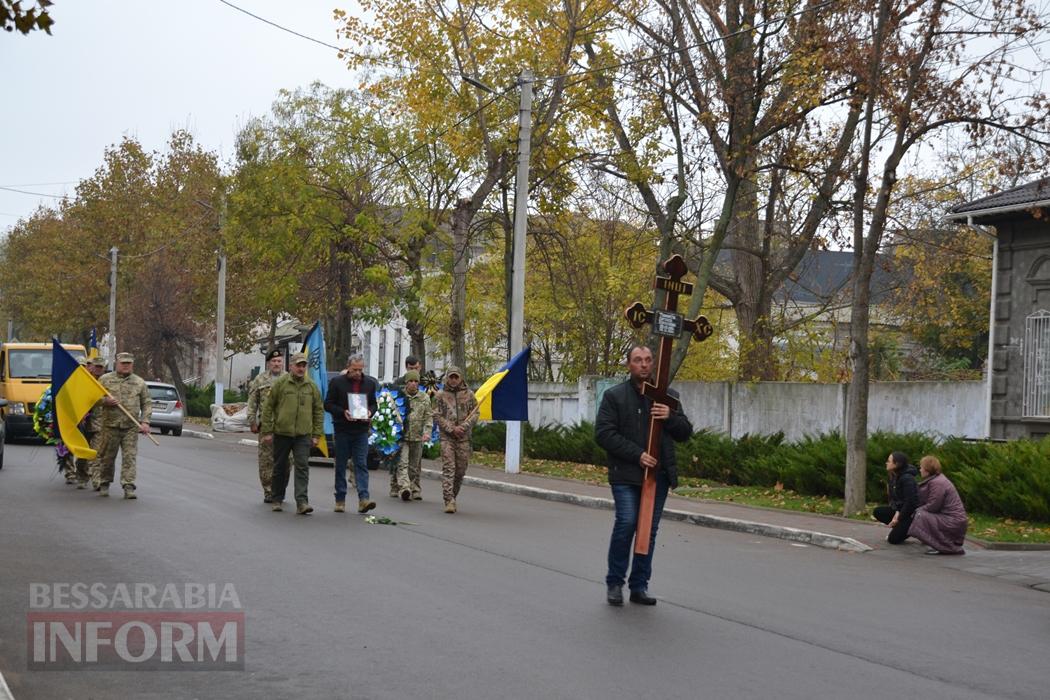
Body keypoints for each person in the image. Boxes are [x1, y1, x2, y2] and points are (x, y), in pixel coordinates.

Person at [595, 344, 693, 607]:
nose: (644, 364)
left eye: (648, 360)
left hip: (657, 477)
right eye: (638, 360)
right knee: (627, 523)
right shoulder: (615, 396)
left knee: (647, 532)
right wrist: (637, 454)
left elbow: (685, 432)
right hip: (626, 474)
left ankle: (639, 586)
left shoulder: (667, 396)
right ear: (629, 365)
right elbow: (603, 433)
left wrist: (670, 416)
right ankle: (615, 583)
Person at [260, 352, 324, 515]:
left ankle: (302, 502)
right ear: (291, 366)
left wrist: (316, 434)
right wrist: (267, 431)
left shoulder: (311, 386)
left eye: (304, 366)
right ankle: (277, 499)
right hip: (282, 432)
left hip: (303, 434)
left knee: (302, 467)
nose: (301, 368)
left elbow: (318, 410)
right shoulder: (281, 383)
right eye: (298, 365)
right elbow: (268, 407)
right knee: (280, 466)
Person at [325, 354, 379, 513]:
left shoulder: (369, 383)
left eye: (360, 370)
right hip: (342, 429)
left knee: (361, 463)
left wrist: (370, 412)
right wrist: (343, 412)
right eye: (355, 370)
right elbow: (327, 404)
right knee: (341, 464)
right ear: (348, 367)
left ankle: (364, 498)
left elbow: (374, 404)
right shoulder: (337, 383)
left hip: (361, 430)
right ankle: (340, 499)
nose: (357, 373)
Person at [97, 352, 152, 499]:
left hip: (130, 427)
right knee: (107, 457)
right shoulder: (105, 380)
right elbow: (92, 399)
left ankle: (129, 486)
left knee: (129, 457)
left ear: (132, 364)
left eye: (129, 363)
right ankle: (104, 483)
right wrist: (105, 401)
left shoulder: (139, 382)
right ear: (117, 363)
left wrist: (145, 421)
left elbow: (146, 403)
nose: (126, 366)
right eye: (123, 363)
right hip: (110, 425)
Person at [434, 366, 477, 514]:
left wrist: (463, 427)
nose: (453, 380)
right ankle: (448, 500)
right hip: (447, 438)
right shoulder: (440, 395)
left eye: (456, 377)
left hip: (463, 438)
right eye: (451, 377)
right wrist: (451, 428)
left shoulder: (469, 395)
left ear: (461, 378)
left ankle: (453, 495)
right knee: (449, 468)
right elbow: (437, 415)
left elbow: (475, 413)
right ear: (447, 378)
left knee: (460, 470)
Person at [246, 349, 286, 503]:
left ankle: (280, 488)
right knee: (266, 461)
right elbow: (252, 401)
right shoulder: (260, 380)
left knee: (287, 461)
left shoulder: (288, 379)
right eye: (274, 361)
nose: (276, 364)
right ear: (269, 363)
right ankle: (269, 491)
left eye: (279, 361)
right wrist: (252, 421)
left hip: (285, 427)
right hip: (266, 426)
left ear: (282, 362)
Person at [908, 455, 968, 555]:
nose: (920, 469)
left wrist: (917, 510)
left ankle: (945, 547)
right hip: (953, 520)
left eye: (921, 467)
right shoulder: (937, 479)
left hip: (953, 521)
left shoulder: (937, 483)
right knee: (920, 513)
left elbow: (933, 506)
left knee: (920, 514)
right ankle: (941, 544)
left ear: (927, 469)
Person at [386, 355, 423, 498]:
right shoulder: (399, 383)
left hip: (417, 429)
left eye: (416, 368)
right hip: (401, 428)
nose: (413, 370)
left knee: (415, 462)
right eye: (410, 368)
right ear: (406, 367)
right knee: (399, 459)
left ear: (420, 367)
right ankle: (396, 485)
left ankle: (415, 488)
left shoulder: (425, 382)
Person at [395, 370, 433, 501]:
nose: (413, 384)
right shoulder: (399, 396)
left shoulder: (424, 398)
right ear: (406, 382)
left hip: (418, 437)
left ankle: (408, 485)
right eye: (410, 381)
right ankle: (404, 488)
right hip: (402, 437)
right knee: (402, 463)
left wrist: (427, 433)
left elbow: (428, 417)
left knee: (413, 467)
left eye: (415, 381)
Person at [872, 452, 919, 544]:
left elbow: (910, 502)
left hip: (912, 515)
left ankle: (914, 530)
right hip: (901, 511)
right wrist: (897, 511)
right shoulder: (893, 476)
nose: (886, 463)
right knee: (878, 511)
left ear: (896, 464)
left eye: (889, 461)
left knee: (893, 540)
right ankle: (901, 529)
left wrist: (899, 518)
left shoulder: (907, 478)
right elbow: (896, 499)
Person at [76, 356, 107, 490]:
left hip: (99, 423)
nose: (98, 369)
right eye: (96, 366)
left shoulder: (107, 381)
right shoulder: (84, 380)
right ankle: (82, 477)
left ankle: (96, 480)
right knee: (83, 453)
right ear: (91, 367)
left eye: (101, 367)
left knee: (97, 453)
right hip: (83, 423)